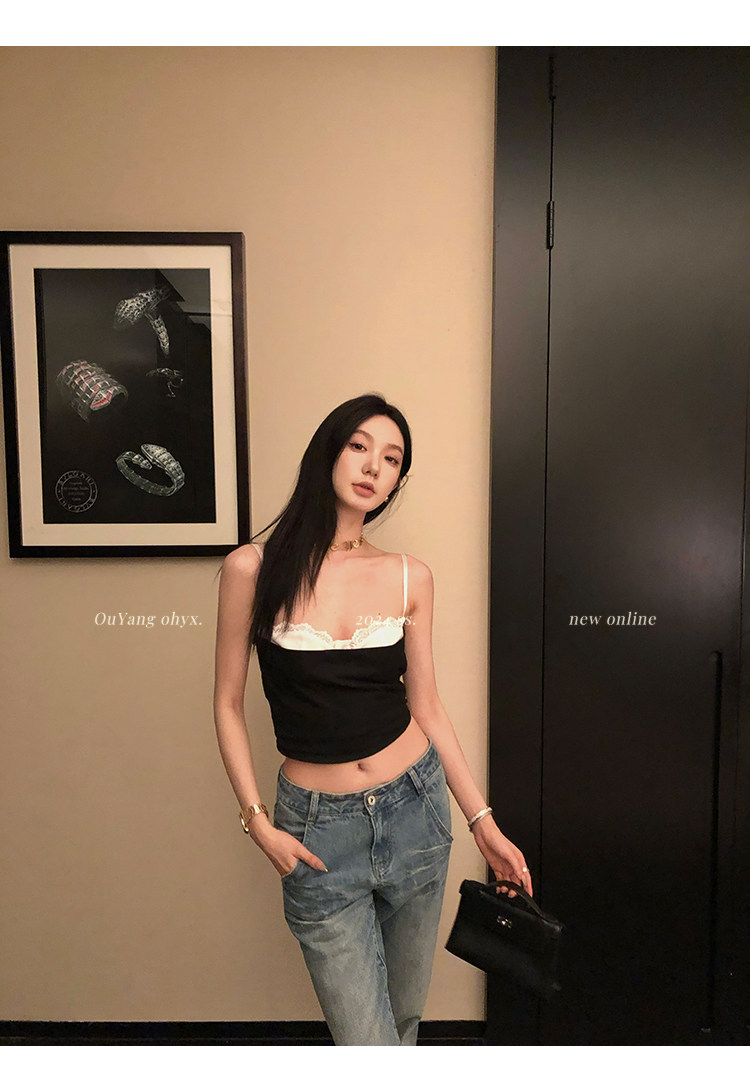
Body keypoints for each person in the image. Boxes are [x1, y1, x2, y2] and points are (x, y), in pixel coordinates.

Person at [213, 392, 532, 1046]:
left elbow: (428, 706)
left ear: (395, 481)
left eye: (391, 459)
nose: (372, 466)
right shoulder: (252, 567)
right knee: (367, 1044)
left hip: (416, 811)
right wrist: (257, 822)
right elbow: (226, 703)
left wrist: (484, 823)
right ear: (329, 451)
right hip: (316, 833)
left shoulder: (409, 576)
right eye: (360, 446)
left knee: (405, 1022)